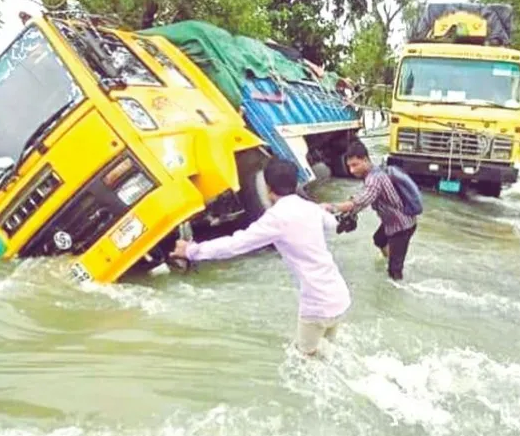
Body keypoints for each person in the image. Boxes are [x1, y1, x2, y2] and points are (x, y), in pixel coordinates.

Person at [170, 157, 350, 357]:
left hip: (317, 304)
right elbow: (332, 224)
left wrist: (190, 251)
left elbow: (235, 245)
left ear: (268, 187)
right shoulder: (310, 207)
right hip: (339, 296)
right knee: (328, 355)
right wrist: (324, 209)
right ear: (295, 182)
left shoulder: (276, 218)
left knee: (304, 360)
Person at [321, 141, 417, 281]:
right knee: (379, 239)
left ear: (365, 160)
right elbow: (367, 199)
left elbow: (361, 200)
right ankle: (392, 258)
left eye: (355, 165)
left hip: (402, 226)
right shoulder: (374, 172)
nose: (352, 170)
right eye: (349, 166)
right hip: (392, 221)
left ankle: (396, 283)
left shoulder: (374, 178)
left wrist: (332, 207)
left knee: (395, 273)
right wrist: (348, 214)